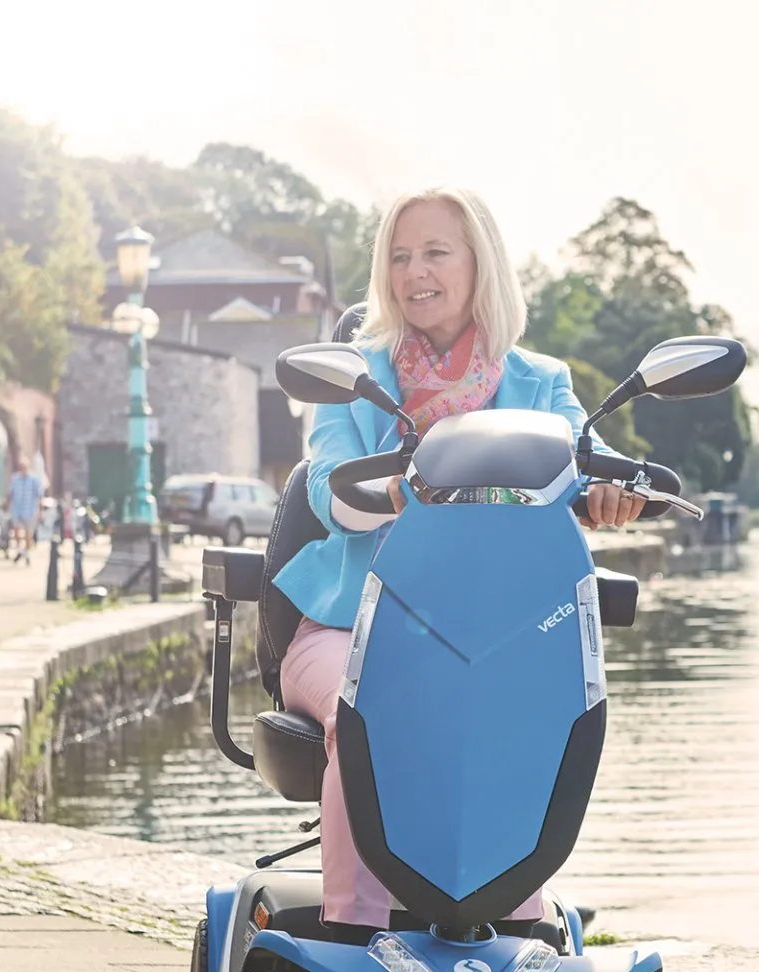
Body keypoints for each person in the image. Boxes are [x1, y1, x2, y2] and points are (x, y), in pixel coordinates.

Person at [270, 187, 643, 932]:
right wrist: (398, 489)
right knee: (366, 704)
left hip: (489, 632)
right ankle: (354, 933)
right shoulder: (353, 375)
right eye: (400, 257)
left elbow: (581, 457)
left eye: (436, 252)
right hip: (351, 625)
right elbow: (329, 486)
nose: (416, 272)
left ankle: (515, 935)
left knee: (533, 709)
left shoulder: (540, 381)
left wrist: (608, 491)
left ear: (480, 264)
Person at [8, 456, 43, 564]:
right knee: (16, 531)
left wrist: (39, 511)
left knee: (28, 534)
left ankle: (25, 552)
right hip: (17, 510)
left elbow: (39, 496)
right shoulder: (15, 479)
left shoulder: (33, 480)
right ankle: (20, 550)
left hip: (29, 510)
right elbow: (11, 494)